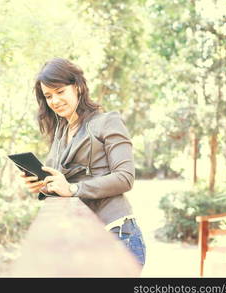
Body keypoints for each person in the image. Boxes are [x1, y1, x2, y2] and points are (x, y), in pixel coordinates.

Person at [20, 57, 146, 270]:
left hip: (116, 235)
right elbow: (59, 182)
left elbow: (125, 177)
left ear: (77, 87)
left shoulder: (107, 122)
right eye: (48, 96)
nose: (55, 101)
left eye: (60, 92)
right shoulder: (60, 133)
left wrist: (73, 188)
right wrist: (43, 185)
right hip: (82, 240)